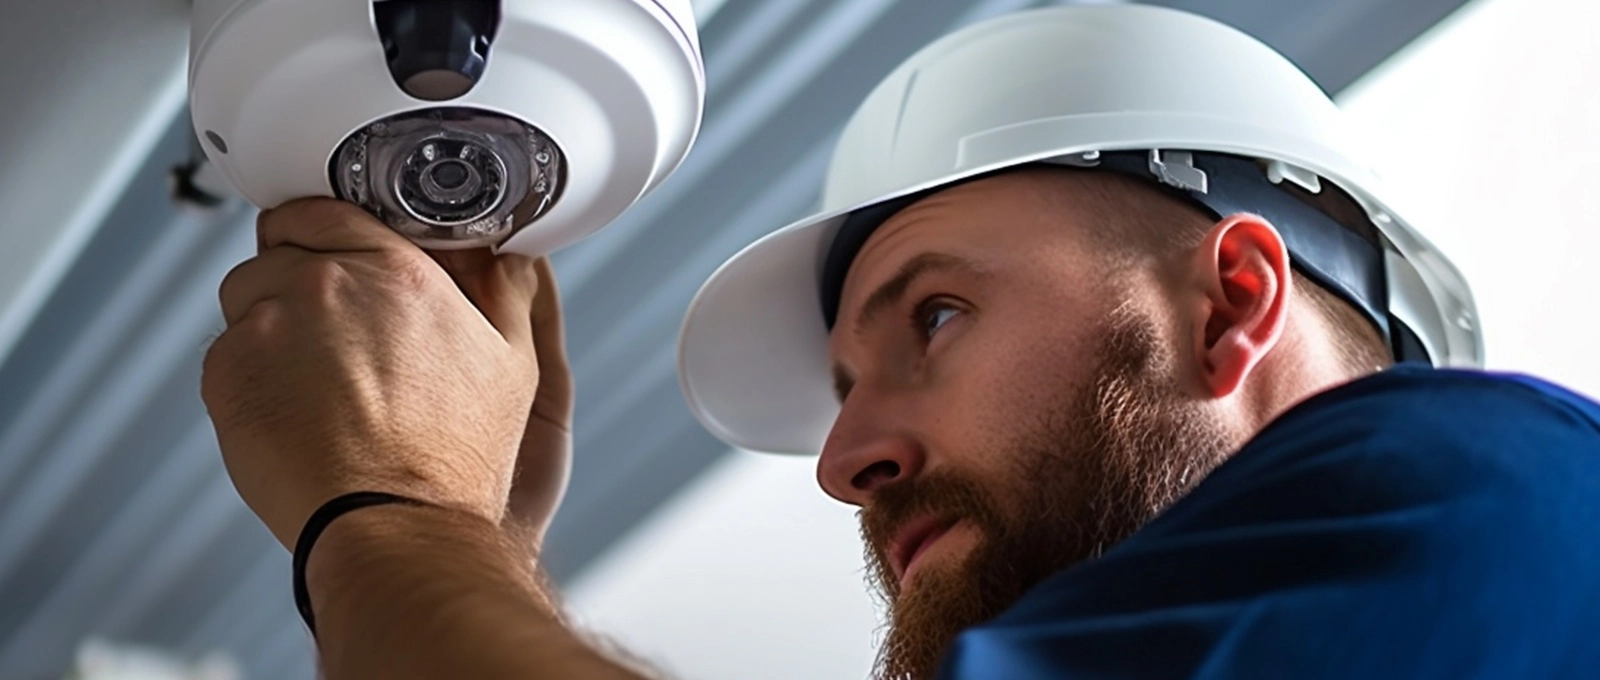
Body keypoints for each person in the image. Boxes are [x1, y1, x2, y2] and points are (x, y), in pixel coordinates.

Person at [200, 5, 1600, 679]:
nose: (844, 461)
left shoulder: (1501, 486)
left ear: (1232, 301)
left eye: (935, 314)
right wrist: (470, 558)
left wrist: (396, 512)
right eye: (842, 389)